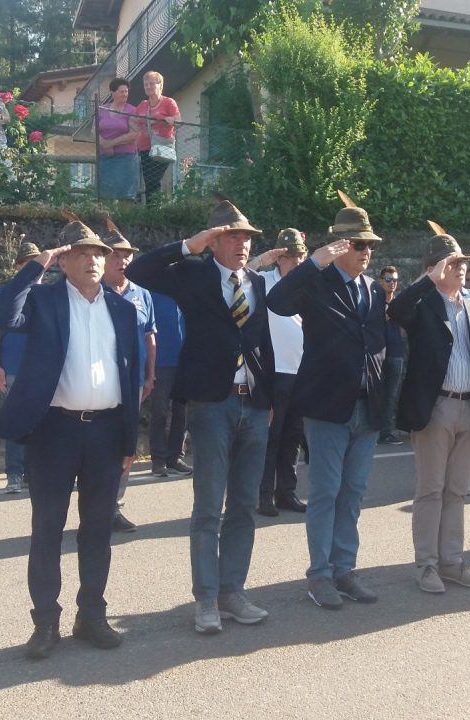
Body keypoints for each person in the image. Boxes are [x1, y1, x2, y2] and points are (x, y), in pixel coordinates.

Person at [0, 218, 140, 659]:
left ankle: (91, 615)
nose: (93, 259)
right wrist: (39, 263)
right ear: (64, 261)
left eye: (99, 253)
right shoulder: (42, 299)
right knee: (47, 528)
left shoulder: (122, 309)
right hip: (55, 429)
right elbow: (1, 315)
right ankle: (45, 622)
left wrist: (130, 440)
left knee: (97, 529)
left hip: (107, 430)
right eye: (82, 253)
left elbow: (129, 375)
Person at [127, 199, 275, 635]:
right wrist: (188, 246)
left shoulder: (256, 283)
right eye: (232, 236)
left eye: (246, 237)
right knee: (209, 507)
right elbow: (140, 271)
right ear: (213, 242)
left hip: (254, 403)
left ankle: (233, 592)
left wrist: (269, 398)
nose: (242, 244)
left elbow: (262, 341)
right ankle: (206, 598)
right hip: (212, 404)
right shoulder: (193, 274)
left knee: (244, 505)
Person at [267, 199, 387, 610]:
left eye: (370, 245)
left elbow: (378, 345)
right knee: (325, 493)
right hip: (327, 407)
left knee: (353, 493)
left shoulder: (373, 289)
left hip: (366, 407)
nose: (367, 252)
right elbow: (277, 302)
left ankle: (344, 570)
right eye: (359, 245)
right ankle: (319, 574)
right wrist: (313, 263)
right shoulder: (316, 281)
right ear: (340, 246)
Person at [389, 232, 470, 593]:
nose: (461, 268)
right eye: (453, 263)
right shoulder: (423, 304)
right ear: (434, 268)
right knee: (431, 491)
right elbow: (396, 310)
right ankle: (426, 565)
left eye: (463, 262)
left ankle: (452, 563)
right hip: (436, 408)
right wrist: (428, 280)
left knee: (457, 491)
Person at [249, 229, 310, 517]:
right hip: (273, 372)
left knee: (293, 436)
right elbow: (241, 274)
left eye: (300, 256)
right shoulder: (264, 281)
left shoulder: (307, 284)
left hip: (301, 371)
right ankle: (263, 495)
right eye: (290, 256)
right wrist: (262, 259)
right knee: (270, 436)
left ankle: (286, 492)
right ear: (279, 258)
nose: (296, 261)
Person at [101, 222, 157, 531]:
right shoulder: (93, 293)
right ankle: (95, 505)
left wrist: (150, 375)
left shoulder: (142, 294)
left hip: (133, 382)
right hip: (101, 382)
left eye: (127, 255)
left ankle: (114, 508)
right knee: (99, 446)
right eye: (115, 255)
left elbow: (150, 336)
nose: (122, 261)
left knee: (126, 447)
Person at [0, 242, 42, 493]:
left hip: (42, 370)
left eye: (37, 263)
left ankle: (35, 473)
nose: (34, 268)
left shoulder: (49, 294)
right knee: (16, 420)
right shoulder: (6, 293)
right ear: (18, 267)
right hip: (14, 367)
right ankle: (15, 474)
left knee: (43, 424)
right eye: (28, 263)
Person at [148, 290, 192, 477]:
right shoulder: (152, 294)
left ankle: (174, 458)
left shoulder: (187, 295)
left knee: (182, 413)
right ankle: (158, 460)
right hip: (161, 363)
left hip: (185, 363)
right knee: (159, 411)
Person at [135, 70, 181, 203]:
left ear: (160, 85)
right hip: (145, 148)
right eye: (146, 84)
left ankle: (154, 207)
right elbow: (133, 121)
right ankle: (153, 208)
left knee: (153, 179)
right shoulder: (143, 105)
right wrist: (136, 131)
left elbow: (179, 121)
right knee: (149, 180)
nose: (148, 86)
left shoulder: (168, 102)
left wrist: (169, 119)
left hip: (162, 146)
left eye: (151, 83)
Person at [96, 78, 140, 201]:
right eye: (122, 92)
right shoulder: (102, 109)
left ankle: (124, 214)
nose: (125, 94)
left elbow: (134, 134)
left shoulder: (132, 110)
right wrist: (104, 144)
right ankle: (106, 214)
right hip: (105, 157)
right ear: (113, 93)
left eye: (126, 91)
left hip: (126, 157)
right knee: (105, 192)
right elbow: (93, 131)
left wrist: (110, 144)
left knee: (126, 194)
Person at [378, 266, 408, 445]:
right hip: (377, 354)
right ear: (381, 281)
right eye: (388, 280)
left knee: (391, 395)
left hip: (396, 352)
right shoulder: (374, 301)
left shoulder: (400, 303)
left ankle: (386, 432)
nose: (392, 283)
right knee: (376, 393)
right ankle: (374, 430)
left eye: (395, 280)